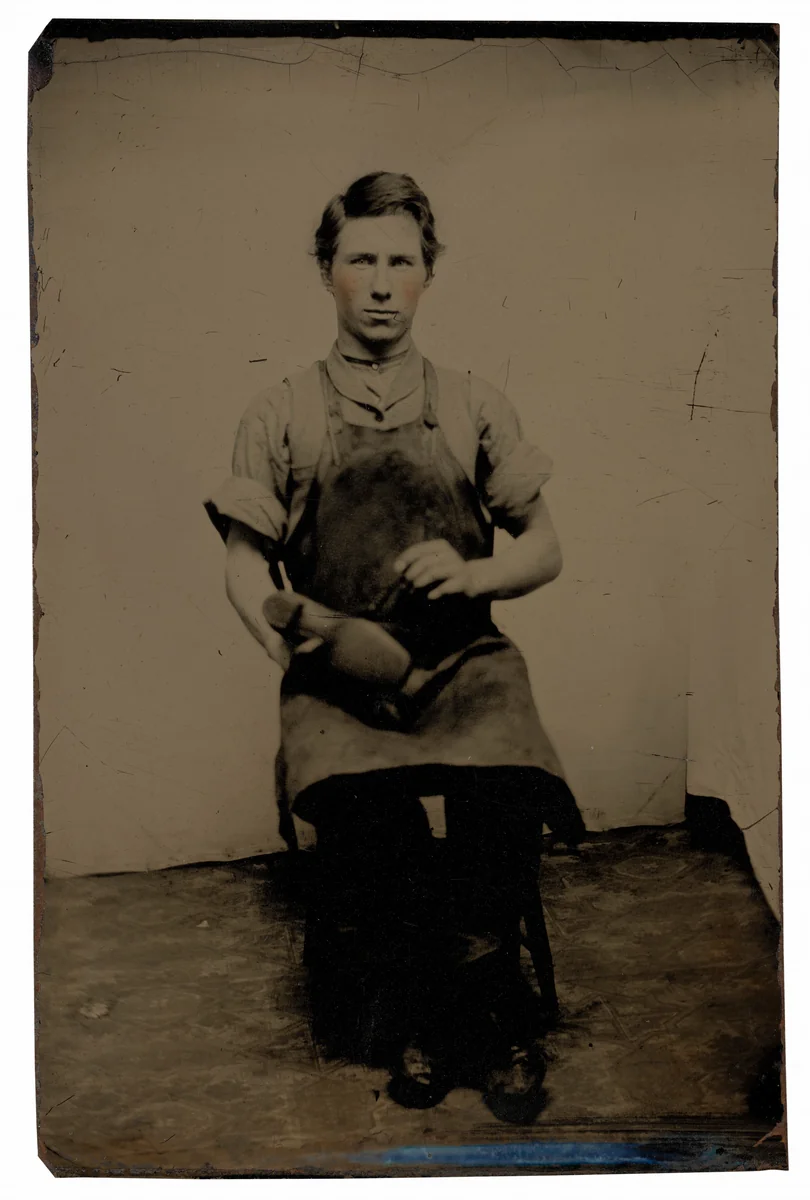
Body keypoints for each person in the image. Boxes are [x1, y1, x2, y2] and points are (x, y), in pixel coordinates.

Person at [206, 171, 586, 1124]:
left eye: (401, 263)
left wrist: (480, 578)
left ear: (429, 274)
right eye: (360, 260)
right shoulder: (278, 412)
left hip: (465, 660)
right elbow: (247, 569)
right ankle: (431, 1011)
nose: (380, 283)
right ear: (326, 272)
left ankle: (486, 1024)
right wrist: (300, 638)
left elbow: (543, 546)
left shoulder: (472, 403)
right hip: (341, 675)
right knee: (368, 805)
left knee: (503, 778)